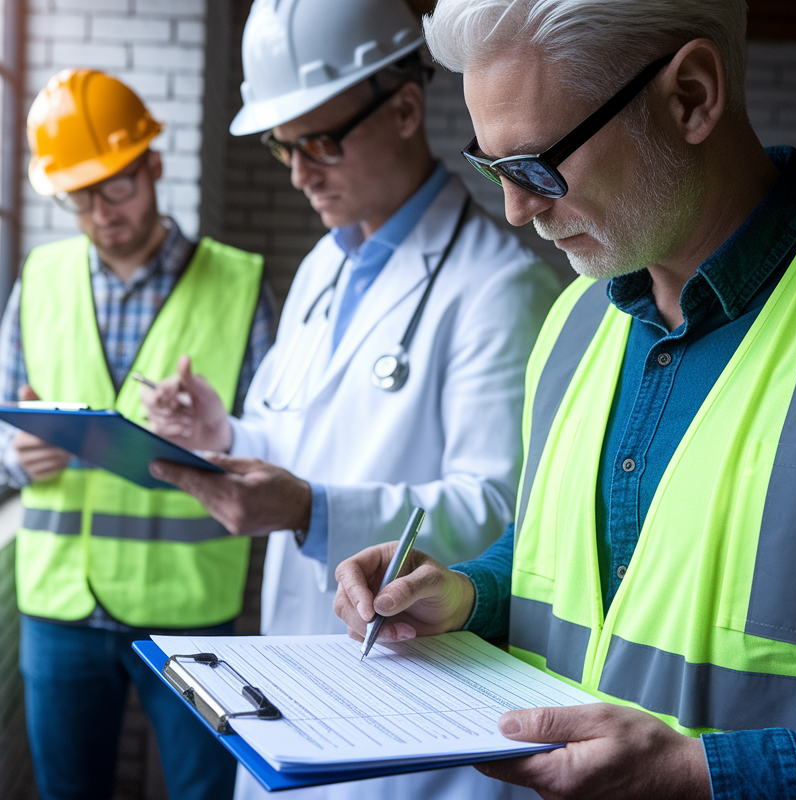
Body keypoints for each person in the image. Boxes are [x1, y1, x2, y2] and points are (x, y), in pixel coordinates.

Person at [331, 1, 796, 798]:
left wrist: (706, 778)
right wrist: (470, 594)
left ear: (692, 97)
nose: (515, 209)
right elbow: (580, 570)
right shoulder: (573, 321)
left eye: (536, 166)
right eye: (493, 167)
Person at [141, 1, 558, 798]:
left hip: (407, 715)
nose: (298, 172)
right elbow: (305, 434)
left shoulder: (498, 288)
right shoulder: (320, 269)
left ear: (404, 109)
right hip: (289, 684)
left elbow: (503, 512)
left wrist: (310, 512)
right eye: (282, 146)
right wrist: (221, 428)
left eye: (319, 142)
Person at [0, 69, 275, 800]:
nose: (100, 212)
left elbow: (276, 445)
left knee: (206, 792)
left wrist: (215, 440)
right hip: (59, 610)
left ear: (153, 165)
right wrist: (17, 456)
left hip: (190, 612)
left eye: (115, 186)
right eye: (78, 195)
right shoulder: (39, 279)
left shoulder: (242, 286)